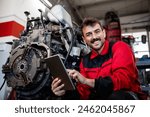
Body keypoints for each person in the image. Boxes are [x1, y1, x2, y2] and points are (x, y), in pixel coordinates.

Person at [51, 17, 147, 100]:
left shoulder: (119, 47)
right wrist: (64, 92)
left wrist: (86, 81)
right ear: (84, 40)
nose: (94, 37)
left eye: (97, 32)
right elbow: (83, 92)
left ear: (104, 33)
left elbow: (123, 81)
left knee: (116, 97)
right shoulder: (84, 61)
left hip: (126, 98)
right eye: (89, 34)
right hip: (101, 102)